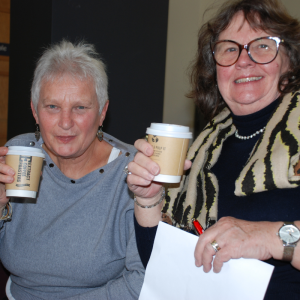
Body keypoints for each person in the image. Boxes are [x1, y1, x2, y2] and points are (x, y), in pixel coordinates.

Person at [126, 0, 300, 298]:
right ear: (214, 68)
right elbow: (160, 267)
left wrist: (271, 237)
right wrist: (149, 199)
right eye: (229, 48)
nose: (244, 60)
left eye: (262, 45)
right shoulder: (203, 150)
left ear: (290, 58)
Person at [0, 40, 144, 299]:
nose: (65, 122)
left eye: (80, 108)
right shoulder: (18, 155)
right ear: (35, 111)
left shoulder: (133, 172)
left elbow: (142, 281)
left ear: (102, 112)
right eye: (52, 107)